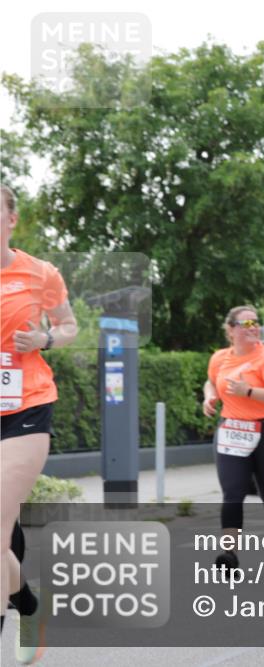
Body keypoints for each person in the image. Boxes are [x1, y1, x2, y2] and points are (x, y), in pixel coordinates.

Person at [1, 185, 78, 657]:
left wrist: (45, 340)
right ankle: (27, 602)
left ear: (11, 218)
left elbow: (69, 326)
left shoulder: (39, 273)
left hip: (26, 406)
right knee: (4, 532)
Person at [204, 306, 264, 569]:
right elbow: (211, 381)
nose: (253, 327)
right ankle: (229, 554)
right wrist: (209, 396)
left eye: (255, 323)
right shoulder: (220, 358)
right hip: (233, 430)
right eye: (246, 324)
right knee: (233, 491)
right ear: (231, 330)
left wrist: (249, 392)